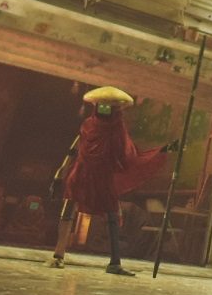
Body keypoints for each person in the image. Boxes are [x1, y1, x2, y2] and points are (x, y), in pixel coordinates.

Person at [49, 85, 174, 275]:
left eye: (108, 107)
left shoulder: (117, 129)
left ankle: (115, 262)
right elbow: (73, 150)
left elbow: (128, 156)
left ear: (115, 110)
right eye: (101, 106)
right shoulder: (88, 125)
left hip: (103, 177)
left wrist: (158, 153)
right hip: (81, 174)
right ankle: (58, 255)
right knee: (68, 211)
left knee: (112, 216)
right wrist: (59, 173)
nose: (104, 109)